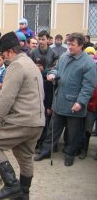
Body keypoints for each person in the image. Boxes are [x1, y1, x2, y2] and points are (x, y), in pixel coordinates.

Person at [0, 31, 44, 200]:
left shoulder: (16, 66)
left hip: (23, 120)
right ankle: (23, 194)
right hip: (37, 122)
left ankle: (12, 186)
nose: (4, 58)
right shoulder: (30, 63)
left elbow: (6, 98)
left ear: (10, 51)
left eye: (3, 55)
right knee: (25, 157)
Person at [34, 33, 97, 166]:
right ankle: (45, 151)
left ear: (81, 45)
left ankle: (69, 154)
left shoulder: (89, 63)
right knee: (52, 130)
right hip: (59, 101)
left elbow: (88, 87)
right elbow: (56, 69)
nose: (69, 46)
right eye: (68, 44)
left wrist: (80, 102)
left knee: (73, 134)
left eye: (72, 44)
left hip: (74, 105)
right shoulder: (64, 56)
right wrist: (52, 74)